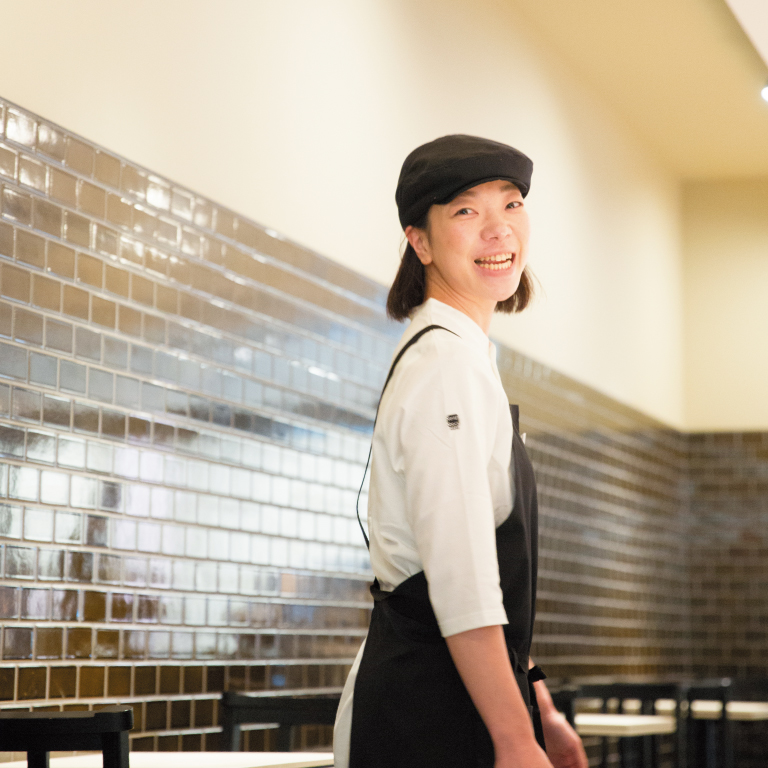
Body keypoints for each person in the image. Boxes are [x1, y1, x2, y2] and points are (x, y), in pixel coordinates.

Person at [333, 135, 587, 768]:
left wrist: (541, 709)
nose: (499, 231)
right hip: (427, 716)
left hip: (453, 703)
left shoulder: (464, 356)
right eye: (467, 212)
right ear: (419, 241)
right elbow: (462, 580)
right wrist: (514, 738)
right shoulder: (446, 364)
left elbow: (491, 578)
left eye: (512, 204)